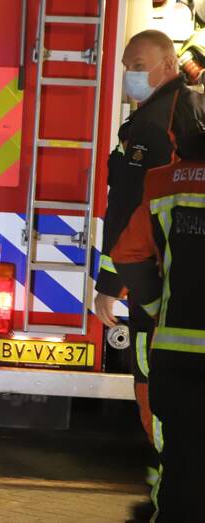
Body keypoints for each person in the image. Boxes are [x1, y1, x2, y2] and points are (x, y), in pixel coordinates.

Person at [91, 30, 205, 485]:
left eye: (138, 66)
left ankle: (166, 486)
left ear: (168, 65)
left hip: (158, 288)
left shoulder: (151, 125)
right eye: (126, 67)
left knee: (154, 395)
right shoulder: (189, 109)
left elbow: (127, 211)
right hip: (183, 280)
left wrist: (111, 284)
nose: (130, 75)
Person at [112, 141, 205, 522]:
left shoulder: (165, 182)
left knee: (180, 465)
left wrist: (157, 311)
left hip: (174, 356)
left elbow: (127, 254)